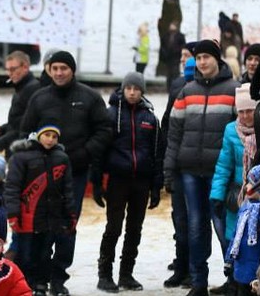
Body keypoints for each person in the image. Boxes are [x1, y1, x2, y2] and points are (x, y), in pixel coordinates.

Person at [20, 50, 112, 294]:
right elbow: (26, 131)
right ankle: (39, 278)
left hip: (75, 174)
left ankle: (59, 277)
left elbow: (104, 129)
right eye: (55, 68)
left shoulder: (89, 97)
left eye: (64, 68)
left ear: (72, 70)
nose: (59, 73)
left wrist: (84, 153)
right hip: (42, 175)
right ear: (49, 70)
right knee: (41, 225)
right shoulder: (39, 98)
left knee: (66, 224)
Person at [165, 39, 239, 296]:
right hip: (189, 172)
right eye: (198, 58)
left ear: (217, 59)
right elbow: (173, 135)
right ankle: (198, 282)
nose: (202, 62)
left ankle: (233, 278)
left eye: (207, 57)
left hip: (220, 174)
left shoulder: (234, 90)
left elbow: (241, 133)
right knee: (196, 227)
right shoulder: (186, 91)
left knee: (223, 226)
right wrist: (169, 170)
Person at [93, 72, 163, 292]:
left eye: (136, 88)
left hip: (141, 181)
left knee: (135, 228)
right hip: (117, 180)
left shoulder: (150, 118)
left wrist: (156, 186)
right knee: (113, 227)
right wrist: (96, 182)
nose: (132, 92)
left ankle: (126, 273)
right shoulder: (111, 114)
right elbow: (100, 151)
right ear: (123, 89)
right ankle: (104, 273)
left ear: (142, 91)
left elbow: (156, 153)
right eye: (128, 88)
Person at [4, 125, 79, 296]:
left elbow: (68, 189)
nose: (50, 139)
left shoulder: (62, 158)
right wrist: (13, 213)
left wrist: (70, 213)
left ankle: (41, 284)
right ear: (38, 136)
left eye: (54, 136)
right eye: (47, 135)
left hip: (52, 218)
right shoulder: (21, 157)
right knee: (25, 253)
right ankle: (24, 284)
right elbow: (12, 187)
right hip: (27, 217)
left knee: (45, 253)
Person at [162, 53, 196, 289]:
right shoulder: (178, 89)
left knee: (196, 224)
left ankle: (193, 270)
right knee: (181, 221)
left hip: (200, 167)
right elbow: (168, 130)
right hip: (180, 165)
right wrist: (167, 169)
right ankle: (182, 266)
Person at [210, 84, 257, 250]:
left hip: (258, 194)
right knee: (232, 237)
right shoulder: (231, 130)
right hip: (237, 194)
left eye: (249, 111)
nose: (245, 116)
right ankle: (231, 272)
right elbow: (223, 166)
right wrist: (217, 194)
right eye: (241, 111)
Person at [225, 164, 260, 296]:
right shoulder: (245, 207)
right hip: (241, 266)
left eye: (252, 184)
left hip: (258, 270)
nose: (247, 187)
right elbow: (236, 235)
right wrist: (229, 260)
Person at [0, 51, 41, 157]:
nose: (9, 73)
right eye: (7, 69)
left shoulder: (33, 88)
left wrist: (6, 138)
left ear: (25, 67)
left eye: (13, 69)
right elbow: (16, 120)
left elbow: (29, 123)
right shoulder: (21, 88)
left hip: (24, 151)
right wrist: (2, 129)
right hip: (15, 148)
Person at [162, 22, 187, 90]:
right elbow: (163, 46)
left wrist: (177, 51)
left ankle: (175, 87)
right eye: (171, 25)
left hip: (176, 57)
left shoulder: (180, 36)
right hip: (168, 57)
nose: (172, 27)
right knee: (169, 74)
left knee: (175, 73)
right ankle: (169, 87)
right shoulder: (166, 36)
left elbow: (183, 46)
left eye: (173, 26)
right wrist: (164, 54)